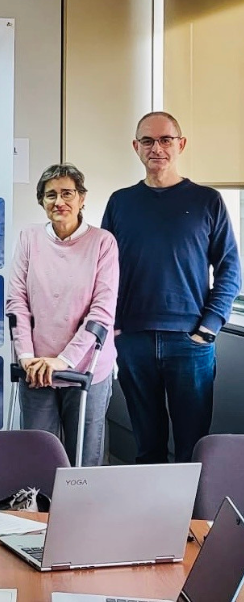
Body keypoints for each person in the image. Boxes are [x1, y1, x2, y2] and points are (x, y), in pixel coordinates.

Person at [102, 111, 241, 463]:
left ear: (181, 144)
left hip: (190, 342)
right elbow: (102, 268)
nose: (157, 148)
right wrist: (114, 325)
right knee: (146, 446)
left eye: (165, 139)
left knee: (192, 448)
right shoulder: (120, 202)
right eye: (147, 140)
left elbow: (230, 269)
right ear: (136, 147)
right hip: (134, 339)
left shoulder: (207, 201)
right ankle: (151, 518)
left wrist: (209, 328)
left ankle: (192, 518)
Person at [6, 164, 119, 466]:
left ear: (82, 198)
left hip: (85, 367)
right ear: (41, 202)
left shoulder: (102, 242)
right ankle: (38, 512)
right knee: (36, 456)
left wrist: (64, 360)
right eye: (50, 195)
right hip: (36, 368)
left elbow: (103, 309)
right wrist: (26, 355)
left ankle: (82, 513)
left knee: (83, 460)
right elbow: (16, 300)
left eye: (67, 193)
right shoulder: (29, 238)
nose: (59, 202)